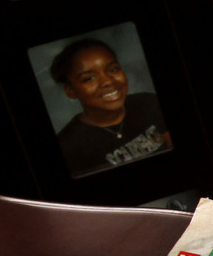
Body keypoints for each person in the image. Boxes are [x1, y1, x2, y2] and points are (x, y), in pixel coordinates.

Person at [48, 39, 172, 177]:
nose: (107, 81)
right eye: (89, 78)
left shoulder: (149, 103)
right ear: (71, 91)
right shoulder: (69, 147)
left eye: (113, 69)